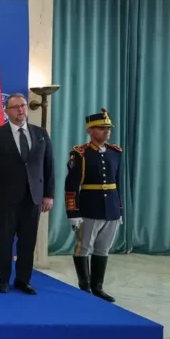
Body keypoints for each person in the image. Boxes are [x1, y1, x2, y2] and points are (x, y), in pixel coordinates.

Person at [0, 93, 55, 295]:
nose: (21, 109)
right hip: (6, 198)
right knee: (5, 241)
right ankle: (4, 280)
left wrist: (49, 195)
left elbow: (49, 166)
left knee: (28, 242)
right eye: (15, 107)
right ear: (7, 111)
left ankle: (23, 280)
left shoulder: (40, 133)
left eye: (23, 105)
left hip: (33, 198)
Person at [64, 108, 121, 302]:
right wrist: (73, 212)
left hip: (111, 208)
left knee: (103, 248)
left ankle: (98, 287)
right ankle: (85, 287)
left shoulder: (115, 152)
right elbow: (71, 186)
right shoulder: (80, 154)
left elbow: (118, 183)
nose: (106, 131)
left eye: (108, 128)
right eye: (101, 128)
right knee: (84, 247)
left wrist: (120, 209)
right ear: (90, 130)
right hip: (90, 207)